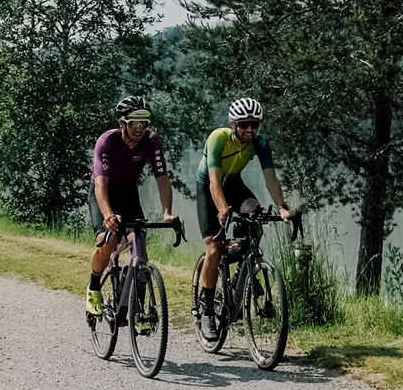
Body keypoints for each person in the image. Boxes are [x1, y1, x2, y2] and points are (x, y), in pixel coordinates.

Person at [195, 97, 292, 319]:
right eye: (244, 124)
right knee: (214, 248)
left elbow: (271, 179)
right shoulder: (217, 139)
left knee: (255, 215)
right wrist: (222, 209)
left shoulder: (260, 143)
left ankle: (246, 267)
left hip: (234, 185)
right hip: (209, 188)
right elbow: (213, 181)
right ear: (233, 124)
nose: (250, 129)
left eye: (254, 124)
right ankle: (207, 308)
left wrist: (283, 207)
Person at [85, 95, 177, 316]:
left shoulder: (151, 141)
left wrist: (167, 213)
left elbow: (162, 179)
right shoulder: (107, 141)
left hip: (128, 193)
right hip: (104, 193)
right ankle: (94, 287)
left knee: (139, 244)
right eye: (134, 123)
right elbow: (100, 185)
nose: (139, 128)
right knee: (108, 240)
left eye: (144, 123)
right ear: (122, 124)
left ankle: (139, 308)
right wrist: (107, 214)